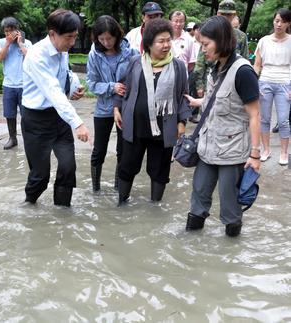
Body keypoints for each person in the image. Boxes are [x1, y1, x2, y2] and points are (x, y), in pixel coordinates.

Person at [184, 16, 261, 237]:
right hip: (207, 149)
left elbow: (255, 115)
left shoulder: (243, 72)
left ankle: (231, 250)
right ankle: (189, 244)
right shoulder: (215, 67)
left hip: (232, 152)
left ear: (222, 40)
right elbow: (218, 100)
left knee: (230, 206)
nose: (203, 50)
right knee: (198, 195)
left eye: (206, 44)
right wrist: (198, 102)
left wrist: (255, 156)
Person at [114, 18, 192, 204]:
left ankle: (155, 207)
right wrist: (117, 108)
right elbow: (122, 87)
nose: (166, 45)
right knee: (127, 166)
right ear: (149, 44)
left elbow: (183, 97)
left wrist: (182, 122)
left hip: (164, 129)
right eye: (161, 41)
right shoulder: (135, 62)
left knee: (159, 170)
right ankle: (121, 203)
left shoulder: (178, 66)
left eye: (168, 40)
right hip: (135, 126)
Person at [21, 9, 90, 207]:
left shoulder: (62, 51)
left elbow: (64, 76)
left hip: (58, 117)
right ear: (52, 34)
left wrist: (73, 90)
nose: (72, 42)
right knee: (40, 176)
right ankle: (28, 206)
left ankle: (62, 211)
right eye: (69, 37)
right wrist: (78, 123)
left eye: (75, 37)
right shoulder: (36, 55)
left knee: (68, 167)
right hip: (36, 120)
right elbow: (52, 90)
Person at [86, 15, 137, 192]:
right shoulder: (95, 54)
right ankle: (95, 189)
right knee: (99, 150)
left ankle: (118, 188)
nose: (106, 42)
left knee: (123, 150)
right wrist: (111, 87)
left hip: (125, 108)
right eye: (101, 39)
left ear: (117, 34)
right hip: (103, 108)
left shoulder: (131, 53)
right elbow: (91, 84)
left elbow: (137, 79)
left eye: (109, 38)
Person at [254, 8, 291, 165]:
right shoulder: (263, 41)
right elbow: (257, 65)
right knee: (264, 119)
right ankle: (266, 149)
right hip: (265, 82)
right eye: (276, 20)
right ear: (273, 21)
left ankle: (284, 153)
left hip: (285, 83)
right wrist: (255, 85)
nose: (279, 24)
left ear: (288, 23)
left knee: (283, 120)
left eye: (282, 21)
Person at [0, 17, 32, 150]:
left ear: (18, 29)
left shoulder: (27, 42)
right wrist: (8, 44)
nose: (9, 34)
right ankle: (12, 138)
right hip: (8, 85)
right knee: (9, 114)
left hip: (24, 85)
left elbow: (31, 59)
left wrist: (20, 43)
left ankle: (28, 139)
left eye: (12, 30)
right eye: (6, 31)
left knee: (26, 114)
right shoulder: (1, 42)